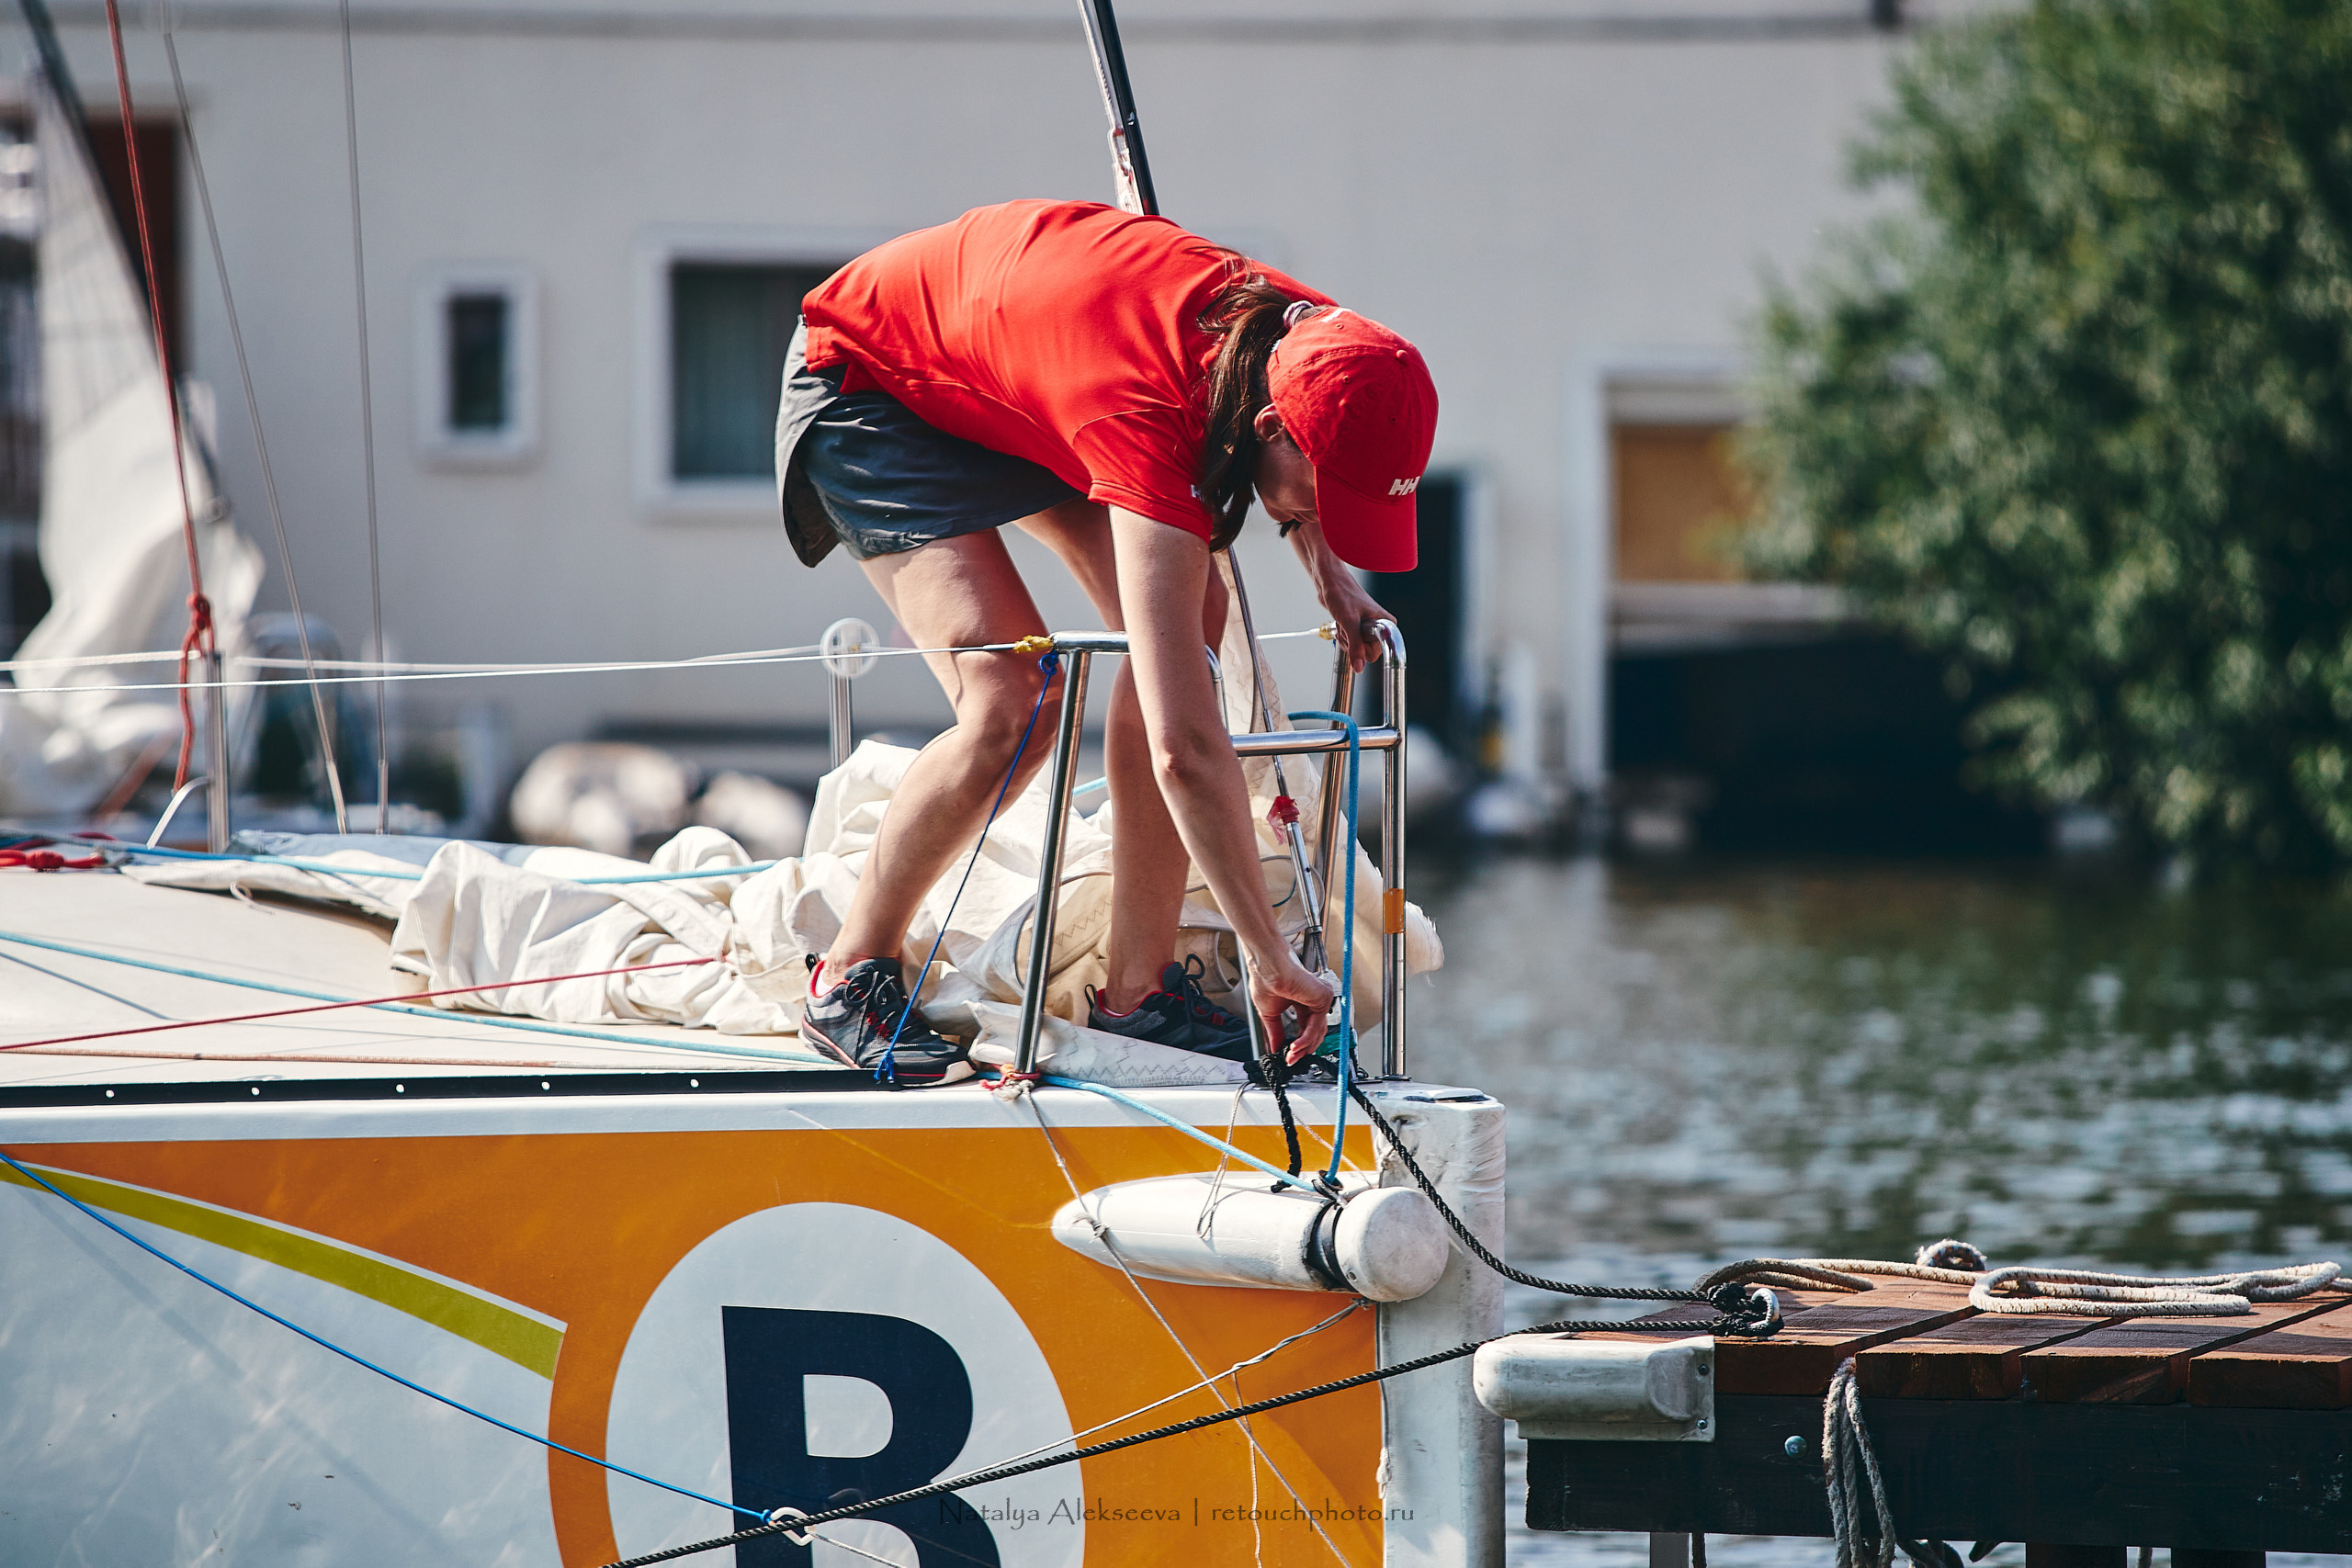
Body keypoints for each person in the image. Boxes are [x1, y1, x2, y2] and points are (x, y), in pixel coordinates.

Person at [776, 198, 1435, 1086]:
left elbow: (1307, 456)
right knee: (1017, 704)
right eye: (1326, 497)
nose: (1327, 515)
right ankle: (848, 975)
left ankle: (1137, 994)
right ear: (1271, 426)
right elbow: (1185, 748)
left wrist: (1326, 565)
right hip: (870, 383)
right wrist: (1272, 955)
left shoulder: (1319, 341)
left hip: (1021, 372)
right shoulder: (1148, 413)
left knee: (1192, 625)